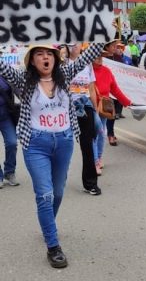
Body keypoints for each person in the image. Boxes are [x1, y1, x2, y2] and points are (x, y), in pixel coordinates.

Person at [0, 42, 103, 268]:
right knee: (44, 195)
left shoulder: (65, 74)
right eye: (39, 54)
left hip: (64, 142)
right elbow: (2, 67)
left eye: (49, 54)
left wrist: (103, 30)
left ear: (55, 59)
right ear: (32, 60)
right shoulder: (23, 80)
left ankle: (48, 224)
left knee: (57, 192)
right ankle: (53, 246)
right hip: (36, 144)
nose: (45, 58)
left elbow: (89, 55)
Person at [67, 43, 101, 195]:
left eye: (77, 43)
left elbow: (92, 88)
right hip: (66, 107)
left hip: (85, 106)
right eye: (71, 43)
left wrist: (95, 109)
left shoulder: (87, 64)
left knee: (87, 145)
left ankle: (90, 183)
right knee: (62, 144)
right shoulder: (62, 64)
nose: (75, 46)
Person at [92, 52, 132, 173]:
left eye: (100, 56)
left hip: (104, 107)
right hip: (90, 107)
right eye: (95, 55)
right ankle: (94, 161)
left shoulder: (107, 71)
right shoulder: (86, 71)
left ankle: (98, 158)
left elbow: (115, 89)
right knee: (96, 131)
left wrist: (127, 102)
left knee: (101, 133)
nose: (99, 58)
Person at [0, 76, 19, 188]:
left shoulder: (5, 74)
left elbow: (16, 88)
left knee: (12, 143)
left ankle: (9, 172)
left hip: (6, 115)